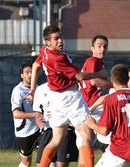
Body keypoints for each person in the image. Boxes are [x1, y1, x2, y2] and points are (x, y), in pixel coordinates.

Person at [26, 25, 106, 167]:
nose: (60, 41)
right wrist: (99, 74)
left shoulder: (44, 51)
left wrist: (32, 89)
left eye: (60, 37)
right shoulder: (57, 58)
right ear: (48, 42)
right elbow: (80, 76)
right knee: (87, 135)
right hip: (71, 98)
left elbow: (36, 65)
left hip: (55, 99)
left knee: (57, 139)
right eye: (56, 39)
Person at [33, 83, 79, 167]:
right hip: (47, 130)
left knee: (61, 164)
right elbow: (37, 111)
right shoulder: (40, 89)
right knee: (40, 164)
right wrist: (38, 118)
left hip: (65, 129)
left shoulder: (71, 86)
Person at [11, 63, 40, 167]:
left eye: (32, 72)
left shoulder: (39, 89)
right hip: (24, 132)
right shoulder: (18, 91)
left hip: (39, 129)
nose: (30, 75)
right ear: (22, 75)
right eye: (27, 72)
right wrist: (35, 115)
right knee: (26, 163)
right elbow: (16, 114)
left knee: (48, 156)